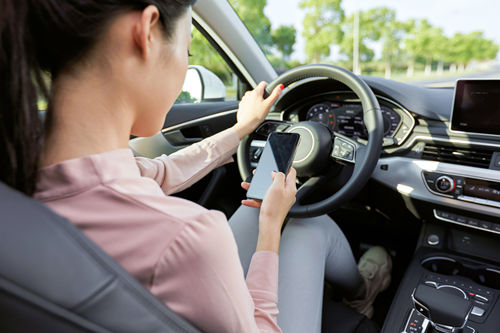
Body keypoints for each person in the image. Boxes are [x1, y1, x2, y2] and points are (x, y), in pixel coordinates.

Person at [0, 1, 392, 332]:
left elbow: (159, 172)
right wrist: (270, 228)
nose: (184, 67)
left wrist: (241, 130)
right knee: (308, 225)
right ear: (148, 31)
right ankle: (363, 297)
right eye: (187, 52)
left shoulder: (22, 171)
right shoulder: (189, 238)